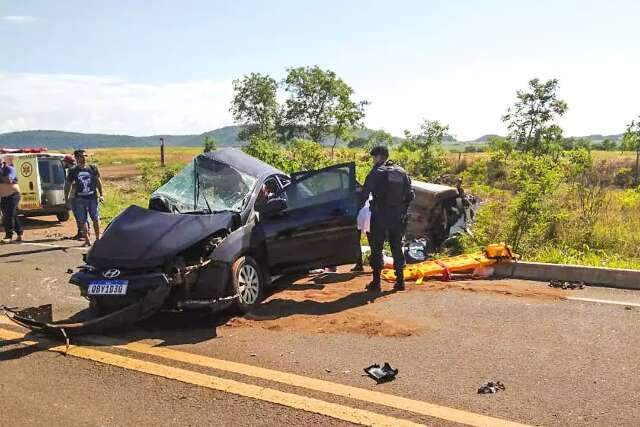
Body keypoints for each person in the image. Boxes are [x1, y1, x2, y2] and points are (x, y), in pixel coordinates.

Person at [360, 145, 414, 292]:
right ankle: (400, 281)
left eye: (374, 157)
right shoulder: (401, 172)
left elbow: (364, 194)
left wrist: (356, 210)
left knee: (376, 248)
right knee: (397, 247)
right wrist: (402, 211)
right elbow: (410, 196)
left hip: (379, 215)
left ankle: (376, 282)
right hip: (397, 216)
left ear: (379, 156)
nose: (373, 160)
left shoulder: (376, 172)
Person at [66, 150, 104, 246]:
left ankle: (97, 238)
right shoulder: (73, 171)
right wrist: (67, 197)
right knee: (82, 220)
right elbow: (68, 185)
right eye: (83, 156)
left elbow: (98, 181)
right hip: (79, 199)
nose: (85, 158)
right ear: (77, 157)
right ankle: (87, 239)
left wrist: (101, 194)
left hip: (92, 197)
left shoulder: (92, 168)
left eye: (85, 156)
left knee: (95, 218)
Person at [62, 154, 88, 240]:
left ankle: (83, 233)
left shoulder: (72, 171)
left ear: (67, 162)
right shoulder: (76, 169)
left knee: (79, 215)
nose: (63, 163)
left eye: (64, 162)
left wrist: (67, 197)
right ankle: (83, 233)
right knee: (82, 215)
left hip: (75, 195)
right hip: (82, 195)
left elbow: (70, 184)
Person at [0, 160, 24, 244]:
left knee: (8, 215)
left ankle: (9, 236)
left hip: (13, 195)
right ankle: (20, 233)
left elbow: (9, 180)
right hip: (3, 197)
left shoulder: (9, 169)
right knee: (12, 214)